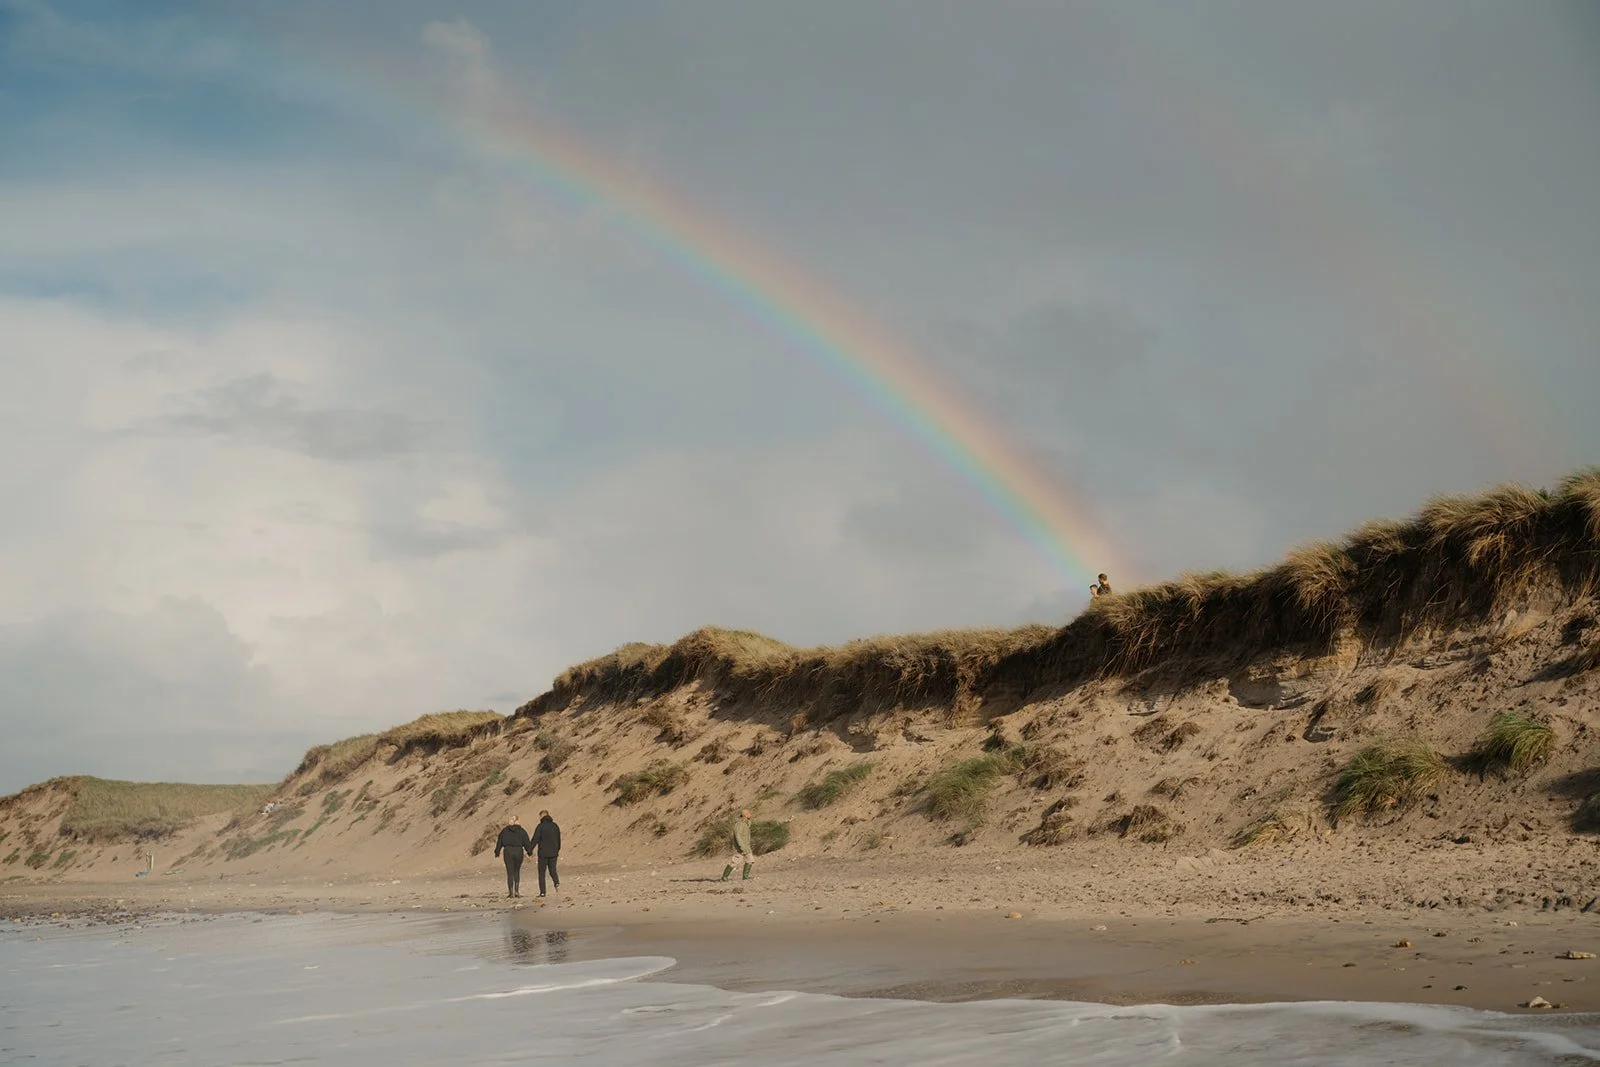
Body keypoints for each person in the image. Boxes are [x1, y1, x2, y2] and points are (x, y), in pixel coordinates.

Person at [493, 815, 532, 898]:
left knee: (510, 872)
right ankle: (517, 891)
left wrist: (497, 851)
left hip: (508, 851)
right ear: (517, 821)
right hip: (518, 851)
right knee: (516, 871)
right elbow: (527, 842)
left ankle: (511, 892)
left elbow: (499, 841)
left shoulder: (505, 831)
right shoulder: (522, 831)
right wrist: (529, 852)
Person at [531, 809, 562, 898]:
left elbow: (535, 839)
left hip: (543, 853)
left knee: (541, 873)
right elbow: (558, 839)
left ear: (542, 816)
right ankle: (557, 884)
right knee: (553, 870)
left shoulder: (540, 826)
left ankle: (543, 892)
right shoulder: (555, 826)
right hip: (553, 852)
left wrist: (529, 850)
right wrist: (557, 849)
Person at [720, 809, 754, 881]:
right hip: (741, 847)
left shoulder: (746, 823)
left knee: (750, 860)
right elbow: (737, 835)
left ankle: (745, 877)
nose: (750, 814)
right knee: (735, 862)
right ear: (745, 815)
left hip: (746, 846)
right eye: (748, 813)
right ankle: (724, 877)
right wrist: (741, 846)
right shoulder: (740, 824)